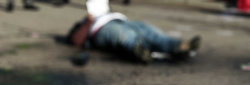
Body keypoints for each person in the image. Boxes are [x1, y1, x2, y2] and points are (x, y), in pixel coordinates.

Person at [66, 0, 201, 63]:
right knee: (123, 36)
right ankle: (138, 51)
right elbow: (75, 40)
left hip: (124, 21)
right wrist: (88, 21)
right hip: (102, 29)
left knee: (149, 31)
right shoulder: (84, 23)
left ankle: (178, 45)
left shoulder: (108, 12)